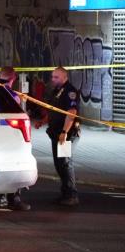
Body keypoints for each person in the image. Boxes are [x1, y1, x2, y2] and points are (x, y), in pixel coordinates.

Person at [35, 66, 81, 206]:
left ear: (64, 77)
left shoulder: (70, 91)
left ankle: (72, 195)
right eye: (52, 77)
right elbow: (54, 111)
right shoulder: (57, 91)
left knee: (65, 163)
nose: (53, 79)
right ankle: (65, 193)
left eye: (56, 77)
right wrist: (43, 121)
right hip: (56, 132)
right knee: (59, 163)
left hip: (66, 134)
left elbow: (71, 113)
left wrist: (64, 132)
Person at [0, 66, 31, 211]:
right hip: (9, 136)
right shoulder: (12, 95)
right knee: (14, 165)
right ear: (13, 78)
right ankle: (14, 199)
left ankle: (0, 198)